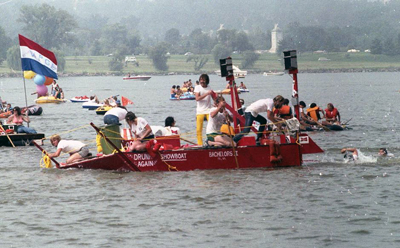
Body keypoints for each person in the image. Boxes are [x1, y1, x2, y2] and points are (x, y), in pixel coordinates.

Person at [194, 74, 213, 145]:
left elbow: (213, 97)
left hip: (208, 110)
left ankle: (212, 142)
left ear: (206, 81)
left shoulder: (209, 87)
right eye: (201, 81)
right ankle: (200, 144)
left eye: (203, 81)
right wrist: (206, 94)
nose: (202, 82)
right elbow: (197, 98)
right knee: (199, 129)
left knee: (211, 126)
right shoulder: (197, 87)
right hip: (200, 111)